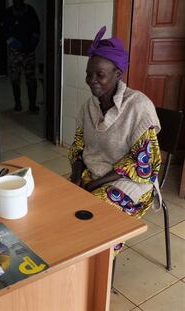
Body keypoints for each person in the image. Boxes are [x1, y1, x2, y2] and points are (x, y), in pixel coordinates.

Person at [68, 26, 162, 253]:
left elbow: (143, 166)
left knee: (96, 222)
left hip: (130, 183)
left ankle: (99, 274)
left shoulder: (138, 107)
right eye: (89, 74)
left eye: (99, 75)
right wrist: (76, 175)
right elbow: (78, 146)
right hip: (93, 175)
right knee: (63, 207)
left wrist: (92, 185)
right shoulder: (89, 106)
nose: (91, 80)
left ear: (117, 75)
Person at [3, 0, 40, 113]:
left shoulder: (30, 11)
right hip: (15, 51)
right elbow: (5, 33)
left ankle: (32, 105)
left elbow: (37, 30)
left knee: (31, 79)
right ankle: (18, 104)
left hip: (29, 50)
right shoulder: (8, 13)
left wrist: (32, 45)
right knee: (15, 78)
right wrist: (15, 45)